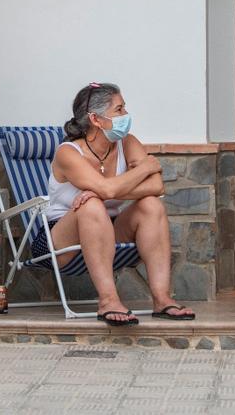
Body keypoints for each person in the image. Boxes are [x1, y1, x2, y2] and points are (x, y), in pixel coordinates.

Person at [46, 82, 195, 326]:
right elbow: (107, 189)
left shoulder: (127, 143)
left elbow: (157, 187)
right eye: (119, 110)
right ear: (96, 119)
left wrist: (108, 190)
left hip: (108, 232)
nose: (126, 116)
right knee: (91, 204)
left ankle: (162, 299)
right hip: (63, 239)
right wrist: (145, 167)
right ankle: (108, 301)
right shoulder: (68, 153)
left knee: (151, 205)